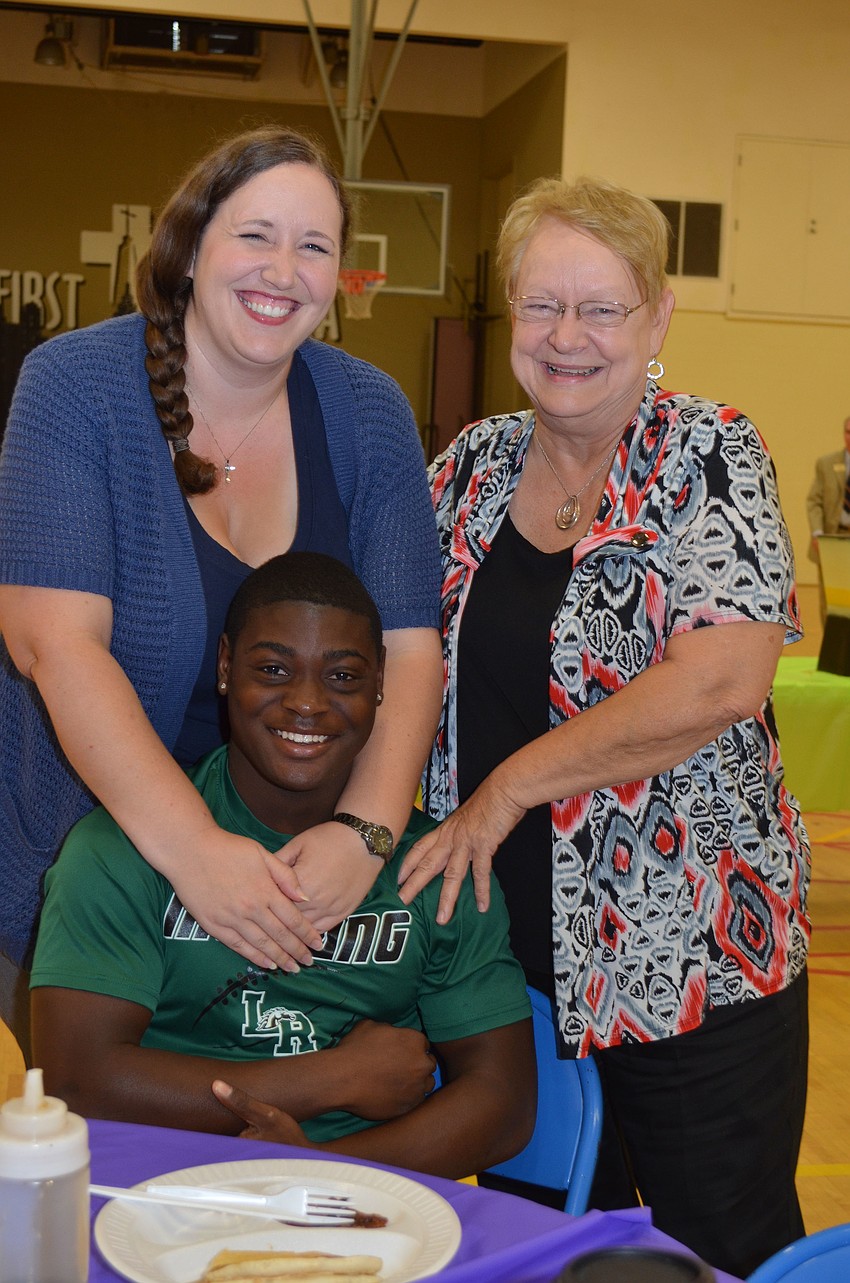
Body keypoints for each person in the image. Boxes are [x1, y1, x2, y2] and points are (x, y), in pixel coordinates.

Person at [397, 176, 811, 1278]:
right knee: (541, 1249)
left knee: (708, 1251)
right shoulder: (470, 469)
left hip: (691, 961)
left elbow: (719, 678)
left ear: (658, 316)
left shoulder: (708, 454)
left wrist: (509, 784)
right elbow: (403, 663)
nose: (566, 337)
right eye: (541, 307)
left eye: (600, 309)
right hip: (505, 969)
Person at [0, 126, 442, 1056]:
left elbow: (411, 651)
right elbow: (55, 643)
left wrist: (363, 833)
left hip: (287, 877)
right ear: (191, 247)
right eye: (256, 235)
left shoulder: (369, 411)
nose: (283, 270)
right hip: (88, 868)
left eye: (314, 246)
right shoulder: (74, 385)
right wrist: (199, 855)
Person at [29, 552, 534, 1177]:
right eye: (272, 669)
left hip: (373, 1206)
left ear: (382, 685)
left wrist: (319, 1171)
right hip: (155, 1194)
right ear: (224, 668)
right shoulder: (118, 850)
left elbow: (505, 1105)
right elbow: (78, 1084)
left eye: (344, 677)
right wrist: (333, 1078)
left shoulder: (433, 865)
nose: (307, 704)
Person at [806, 416, 850, 620]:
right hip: (831, 540)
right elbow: (814, 501)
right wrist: (817, 533)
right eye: (848, 432)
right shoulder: (826, 464)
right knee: (831, 601)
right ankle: (831, 649)